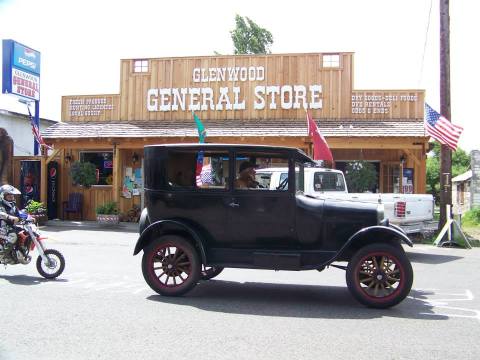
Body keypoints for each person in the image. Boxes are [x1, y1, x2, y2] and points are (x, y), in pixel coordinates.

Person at [0, 184, 21, 257]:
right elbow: (1, 213)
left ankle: (18, 250)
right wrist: (9, 217)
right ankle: (2, 254)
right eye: (8, 195)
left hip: (10, 227)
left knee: (24, 232)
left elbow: (20, 214)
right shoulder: (1, 205)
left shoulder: (13, 205)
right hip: (2, 227)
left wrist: (30, 217)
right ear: (3, 196)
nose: (11, 196)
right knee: (13, 236)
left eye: (12, 195)